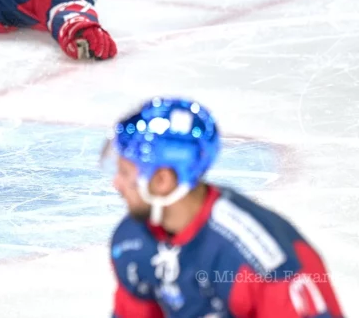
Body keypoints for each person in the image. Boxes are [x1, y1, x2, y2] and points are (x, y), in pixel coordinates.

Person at [105, 97, 343, 317]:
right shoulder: (132, 240)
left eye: (125, 172)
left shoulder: (260, 259)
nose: (116, 183)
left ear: (163, 181)